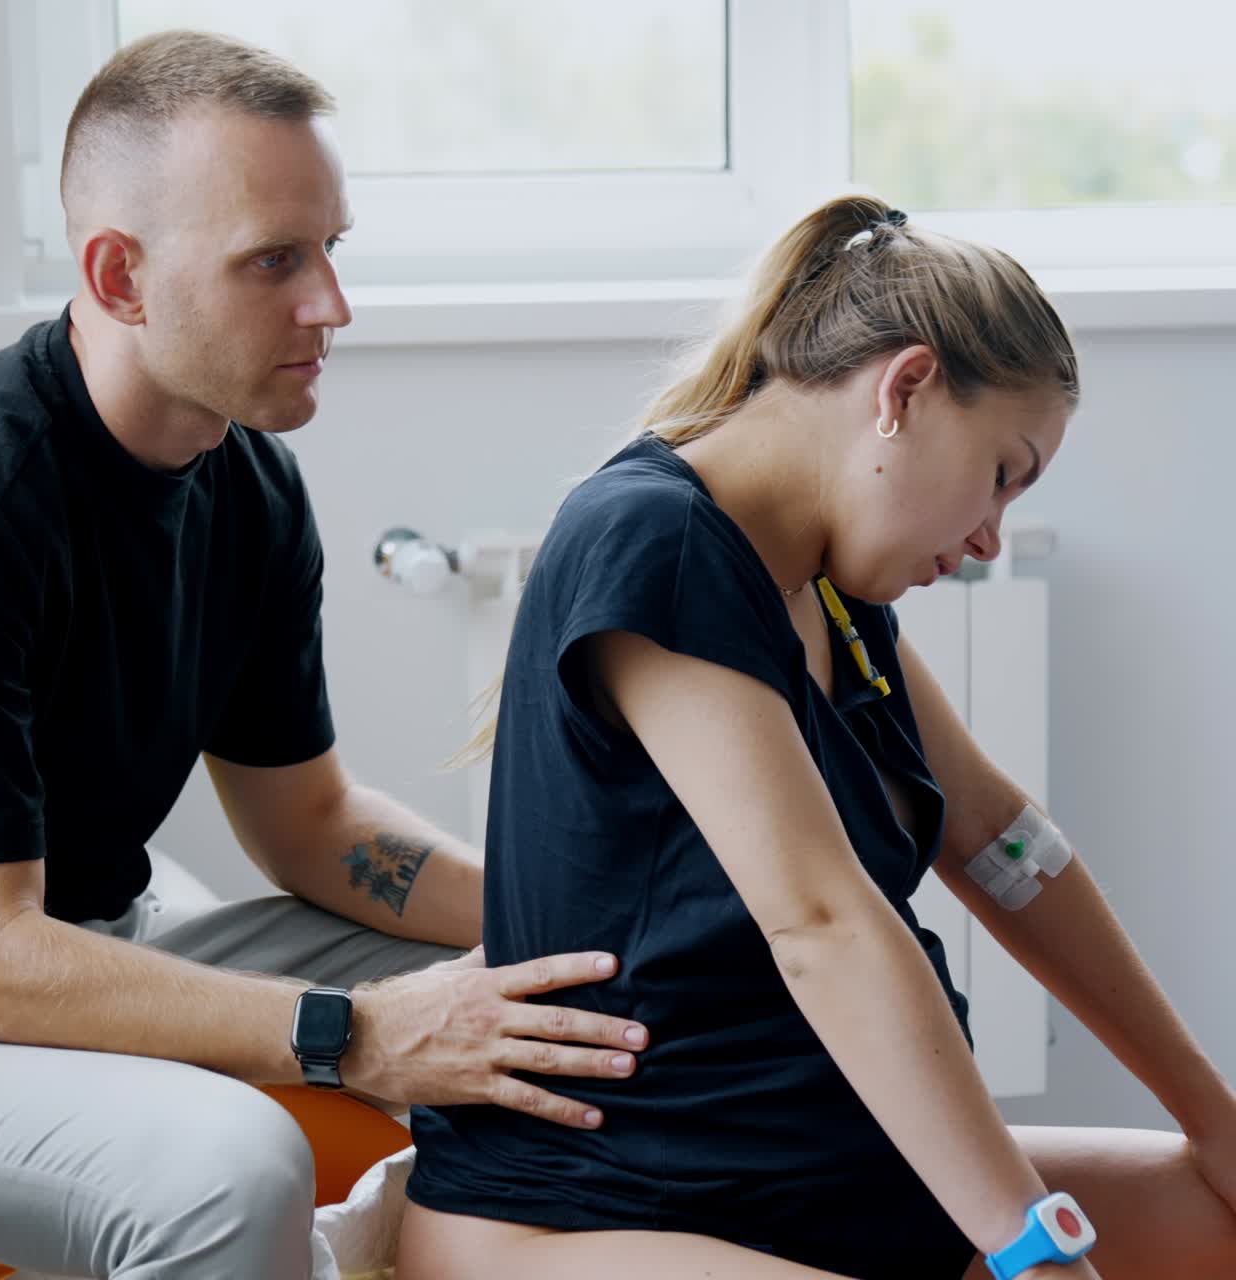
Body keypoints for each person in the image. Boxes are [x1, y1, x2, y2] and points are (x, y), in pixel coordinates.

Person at [398, 196, 1236, 1280]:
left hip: (831, 1183)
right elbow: (822, 923)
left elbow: (999, 838)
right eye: (999, 472)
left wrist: (1211, 1118)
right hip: (605, 1211)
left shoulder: (826, 588)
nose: (986, 538)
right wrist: (1030, 1245)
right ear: (905, 387)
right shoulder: (656, 538)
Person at [0, 30, 648, 1280]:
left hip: (93, 928)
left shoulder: (251, 487)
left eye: (330, 249)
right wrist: (349, 1031)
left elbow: (311, 826)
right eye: (274, 259)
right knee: (233, 1170)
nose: (330, 303)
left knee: (559, 1006)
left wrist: (587, 922)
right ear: (119, 273)